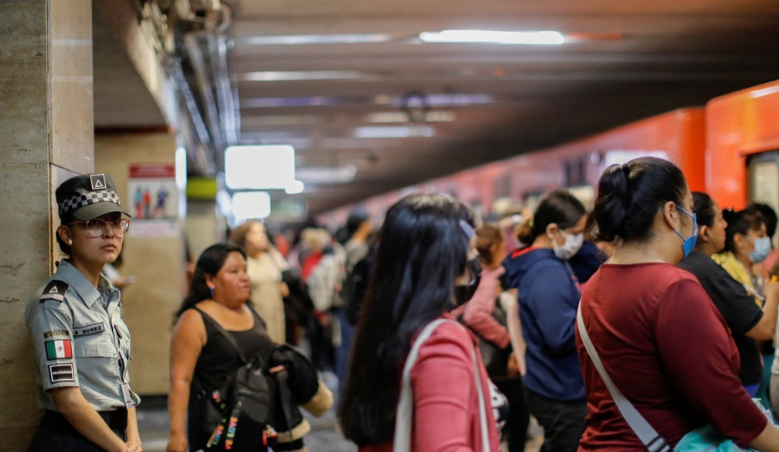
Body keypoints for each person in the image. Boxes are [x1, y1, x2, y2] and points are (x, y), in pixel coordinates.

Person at [577, 157, 779, 451]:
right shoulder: (672, 287)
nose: (693, 221)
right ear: (672, 213)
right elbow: (723, 400)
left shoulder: (595, 285)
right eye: (691, 209)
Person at [339, 193, 500, 451]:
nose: (476, 261)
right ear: (444, 256)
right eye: (471, 250)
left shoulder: (387, 325)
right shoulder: (441, 340)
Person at [25, 173, 141, 452]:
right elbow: (68, 399)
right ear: (66, 234)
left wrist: (133, 437)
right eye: (93, 224)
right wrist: (120, 448)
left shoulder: (108, 296)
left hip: (115, 435)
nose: (110, 233)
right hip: (73, 439)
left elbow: (120, 379)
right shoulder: (55, 304)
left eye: (116, 222)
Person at [167, 243, 277, 452]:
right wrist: (177, 434)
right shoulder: (194, 319)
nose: (244, 277)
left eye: (245, 270)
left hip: (256, 422)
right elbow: (181, 380)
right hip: (215, 429)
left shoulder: (250, 311)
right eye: (233, 272)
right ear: (210, 280)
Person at [502, 189, 588, 452]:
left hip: (547, 381)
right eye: (575, 233)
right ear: (552, 231)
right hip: (561, 388)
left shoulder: (539, 265)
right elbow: (560, 335)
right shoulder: (547, 271)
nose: (579, 240)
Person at [678, 192, 779, 396]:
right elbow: (762, 328)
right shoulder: (707, 270)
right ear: (705, 232)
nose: (725, 225)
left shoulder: (694, 266)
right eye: (720, 219)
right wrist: (774, 290)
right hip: (736, 383)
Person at [454, 223, 529, 452]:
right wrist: (508, 340)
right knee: (516, 418)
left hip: (488, 365)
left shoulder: (473, 277)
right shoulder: (491, 278)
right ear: (496, 247)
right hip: (498, 362)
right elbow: (475, 315)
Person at [229, 221, 289, 344]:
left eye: (263, 232)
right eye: (255, 233)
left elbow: (284, 273)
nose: (261, 236)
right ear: (244, 237)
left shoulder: (271, 256)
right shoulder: (240, 260)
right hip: (254, 314)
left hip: (276, 312)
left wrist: (282, 284)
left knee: (277, 346)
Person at [713, 208, 770, 306]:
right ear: (740, 241)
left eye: (766, 235)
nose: (766, 240)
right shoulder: (726, 271)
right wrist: (772, 295)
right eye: (760, 236)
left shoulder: (752, 272)